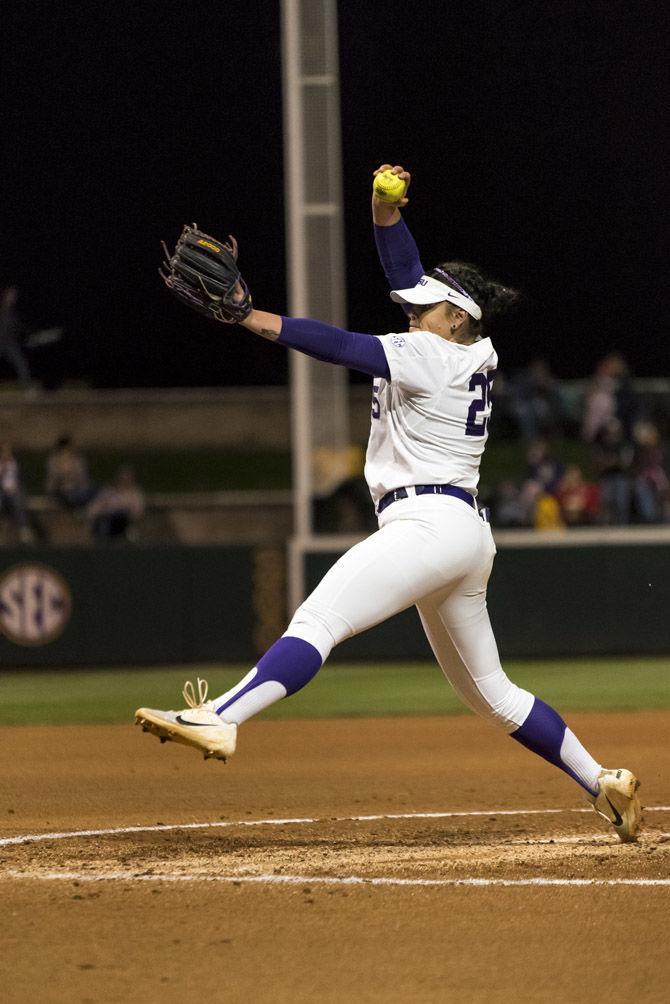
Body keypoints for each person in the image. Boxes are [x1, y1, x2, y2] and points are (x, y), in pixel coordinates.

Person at [137, 164, 641, 843]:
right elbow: (404, 273)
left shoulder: (432, 355)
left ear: (455, 317)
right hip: (460, 533)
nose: (410, 311)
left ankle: (221, 716)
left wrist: (249, 317)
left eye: (424, 307)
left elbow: (340, 346)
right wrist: (383, 210)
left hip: (427, 524)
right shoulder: (462, 348)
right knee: (494, 695)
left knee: (320, 617)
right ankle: (603, 783)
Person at [87, 465, 145, 542]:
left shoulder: (136, 494)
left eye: (127, 478)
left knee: (119, 516)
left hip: (123, 521)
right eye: (122, 477)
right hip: (106, 518)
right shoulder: (108, 491)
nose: (124, 480)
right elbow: (94, 507)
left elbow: (137, 511)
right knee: (103, 521)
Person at [46, 435, 96, 509]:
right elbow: (55, 480)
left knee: (92, 491)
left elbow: (83, 478)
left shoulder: (77, 461)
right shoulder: (54, 461)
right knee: (71, 497)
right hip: (61, 492)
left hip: (78, 489)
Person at [0, 441, 33, 543]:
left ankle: (24, 530)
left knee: (18, 501)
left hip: (16, 491)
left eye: (7, 451)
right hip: (2, 492)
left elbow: (23, 479)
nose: (6, 453)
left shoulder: (16, 463)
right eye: (3, 451)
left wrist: (16, 488)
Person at [0, 287, 31, 387]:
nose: (13, 297)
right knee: (21, 363)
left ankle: (26, 387)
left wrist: (27, 332)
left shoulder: (12, 311)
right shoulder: (3, 309)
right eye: (11, 294)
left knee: (21, 363)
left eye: (14, 295)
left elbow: (17, 326)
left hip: (9, 343)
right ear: (5, 296)